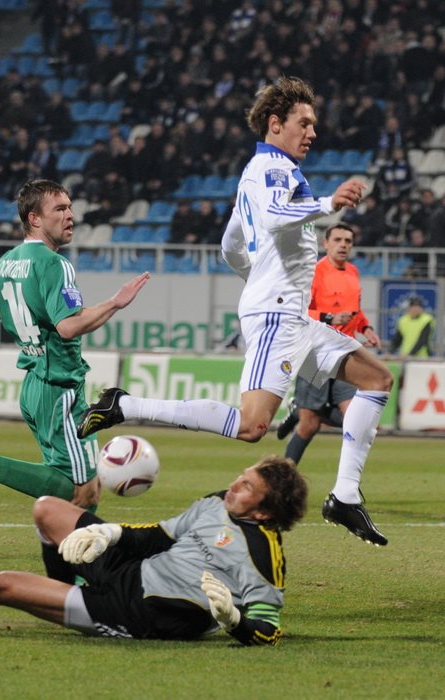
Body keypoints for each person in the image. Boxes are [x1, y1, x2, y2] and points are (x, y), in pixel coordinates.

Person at [78, 77, 393, 546]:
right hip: (277, 315)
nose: (312, 132)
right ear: (275, 124)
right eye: (304, 123)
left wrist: (259, 275)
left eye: (313, 124)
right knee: (251, 426)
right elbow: (272, 218)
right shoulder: (271, 169)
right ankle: (124, 405)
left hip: (289, 314)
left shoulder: (266, 171)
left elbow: (230, 244)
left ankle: (345, 496)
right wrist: (328, 204)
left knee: (377, 379)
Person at [0, 455, 308, 645]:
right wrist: (110, 535)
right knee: (47, 509)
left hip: (139, 614)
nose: (234, 486)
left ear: (265, 511)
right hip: (133, 569)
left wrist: (233, 620)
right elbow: (157, 536)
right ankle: (70, 588)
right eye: (240, 477)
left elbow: (268, 630)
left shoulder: (265, 557)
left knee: (0, 585)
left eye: (246, 487)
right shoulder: (215, 503)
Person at [0, 179, 149, 520]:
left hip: (35, 385)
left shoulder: (7, 261)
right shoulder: (55, 264)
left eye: (69, 207)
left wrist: (26, 312)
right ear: (35, 219)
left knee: (87, 489)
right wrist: (115, 302)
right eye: (59, 209)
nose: (70, 215)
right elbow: (68, 326)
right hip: (59, 389)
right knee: (83, 492)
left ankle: (71, 556)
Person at [275, 223, 382, 465]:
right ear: (326, 243)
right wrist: (328, 318)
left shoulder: (353, 272)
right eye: (338, 240)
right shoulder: (314, 272)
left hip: (345, 354)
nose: (343, 245)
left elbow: (355, 311)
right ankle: (284, 474)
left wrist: (366, 328)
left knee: (355, 420)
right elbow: (298, 311)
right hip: (315, 354)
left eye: (348, 241)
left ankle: (302, 409)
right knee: (309, 425)